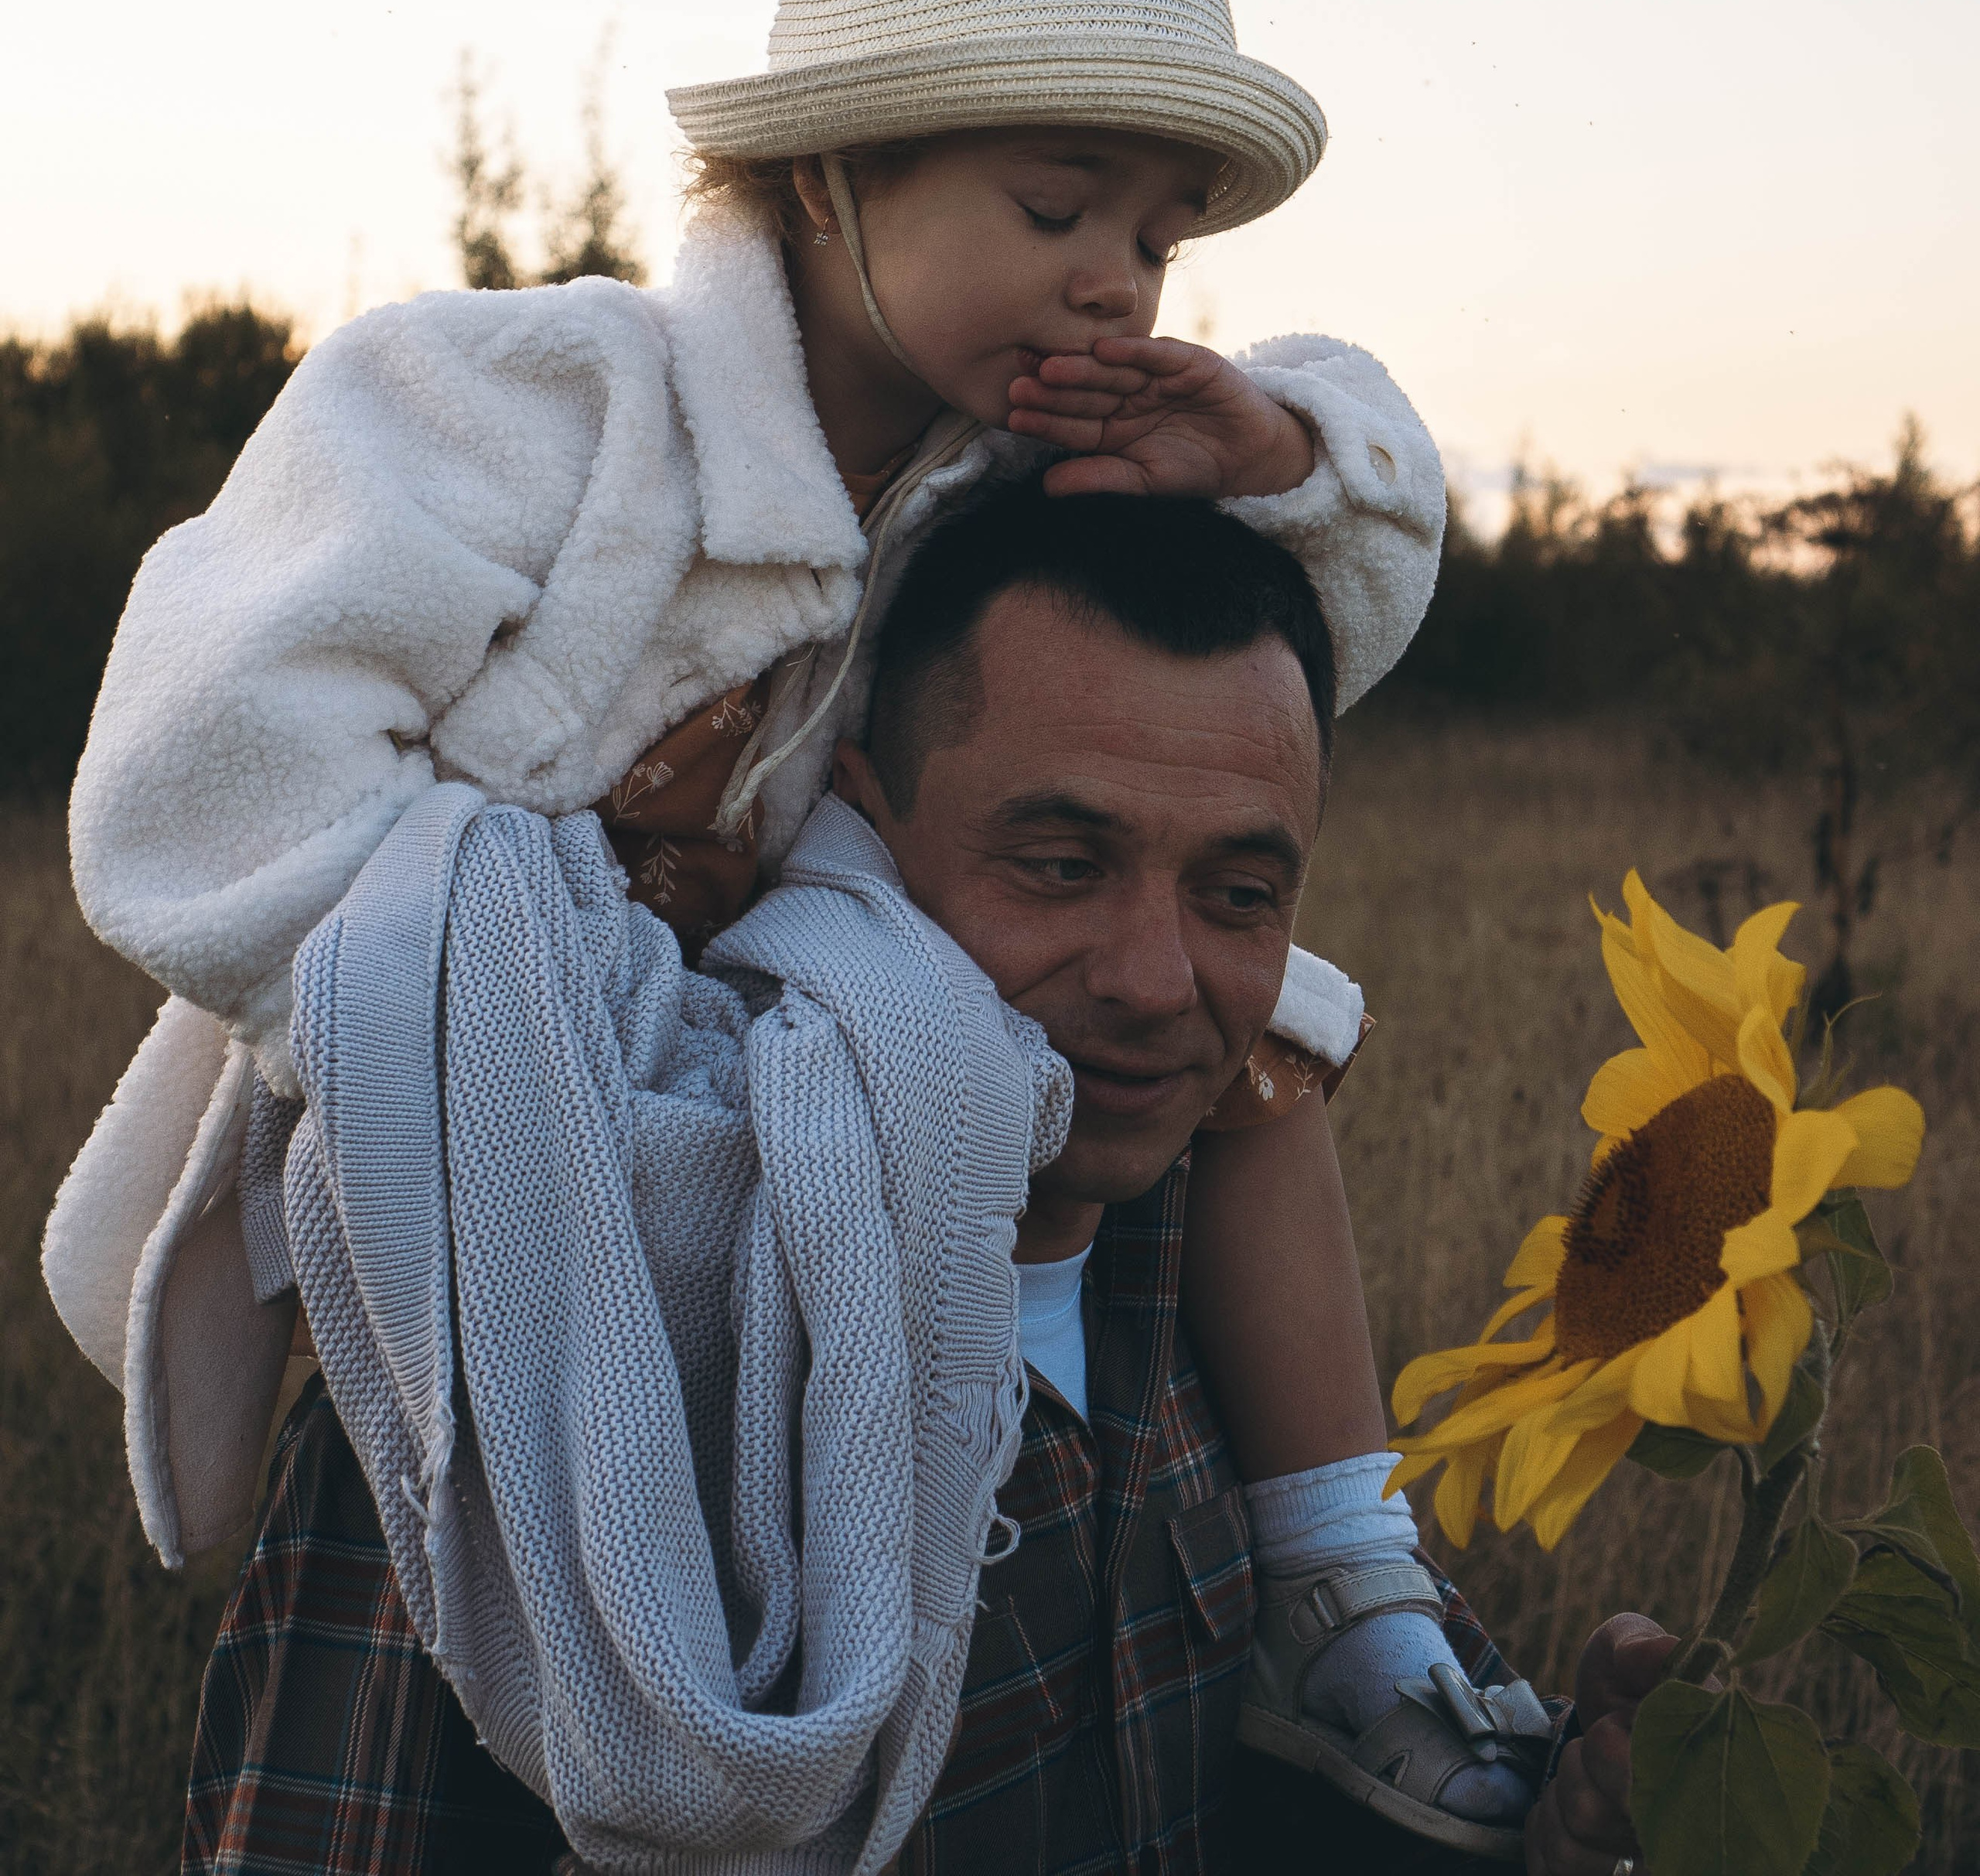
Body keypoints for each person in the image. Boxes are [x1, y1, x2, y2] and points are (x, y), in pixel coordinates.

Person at [53, 0, 1473, 1830]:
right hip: (510, 1090)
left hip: (815, 1044)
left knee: (1264, 1025)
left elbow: (1305, 634)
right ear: (827, 178)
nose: (1113, 281)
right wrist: (538, 989)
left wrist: (1272, 450)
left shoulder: (1018, 486)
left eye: (1159, 242)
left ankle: (1340, 1577)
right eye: (1054, 204)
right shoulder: (539, 404)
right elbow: (207, 760)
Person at [182, 481, 1657, 1872]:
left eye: (1238, 894)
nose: (1158, 980)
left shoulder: (1221, 1299)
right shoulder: (548, 1364)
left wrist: (1544, 1830)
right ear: (860, 830)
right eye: (1062, 865)